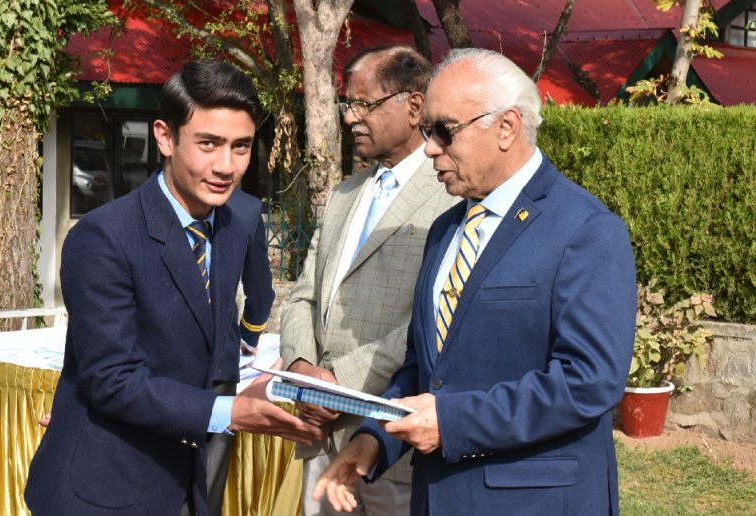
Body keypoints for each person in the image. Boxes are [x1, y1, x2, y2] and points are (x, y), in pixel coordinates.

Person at [314, 48, 637, 516]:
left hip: (535, 503)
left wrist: (452, 421)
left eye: (444, 131)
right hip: (437, 496)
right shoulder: (445, 230)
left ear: (506, 127)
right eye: (428, 131)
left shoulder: (585, 230)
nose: (430, 148)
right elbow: (424, 366)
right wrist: (374, 439)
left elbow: (589, 381)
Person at [24, 59, 321, 516]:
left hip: (183, 479)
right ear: (165, 137)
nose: (226, 166)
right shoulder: (103, 237)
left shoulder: (230, 229)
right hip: (102, 489)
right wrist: (230, 410)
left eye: (241, 147)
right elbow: (111, 379)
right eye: (208, 144)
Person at [280, 45, 456, 516]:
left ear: (414, 106)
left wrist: (341, 385)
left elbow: (437, 316)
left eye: (364, 104)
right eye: (347, 104)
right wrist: (301, 368)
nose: (350, 117)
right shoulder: (345, 193)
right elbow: (303, 296)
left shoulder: (450, 194)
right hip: (319, 436)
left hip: (391, 447)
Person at [205, 186, 275, 514]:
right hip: (219, 356)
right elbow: (260, 291)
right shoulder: (245, 207)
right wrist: (248, 334)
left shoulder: (151, 196)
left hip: (157, 359)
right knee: (208, 474)